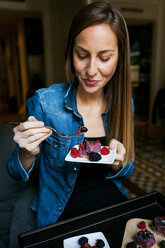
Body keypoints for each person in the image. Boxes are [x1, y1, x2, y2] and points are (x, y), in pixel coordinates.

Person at [7, 0, 134, 243]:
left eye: (105, 57)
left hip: (111, 204)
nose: (91, 70)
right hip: (62, 213)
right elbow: (14, 172)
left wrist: (118, 161)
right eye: (82, 55)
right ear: (71, 51)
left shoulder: (124, 103)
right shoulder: (44, 103)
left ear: (120, 57)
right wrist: (25, 154)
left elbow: (127, 170)